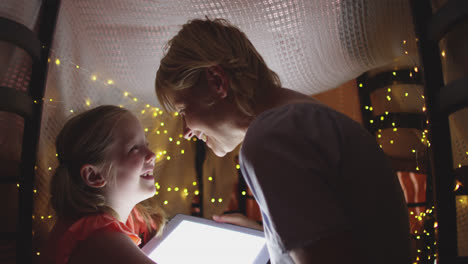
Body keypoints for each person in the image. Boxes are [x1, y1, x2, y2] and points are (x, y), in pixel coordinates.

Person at [155, 18, 411, 264]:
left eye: (184, 110)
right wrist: (269, 233)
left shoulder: (270, 138)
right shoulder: (303, 118)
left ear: (217, 81)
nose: (186, 131)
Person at [40, 105, 165, 264]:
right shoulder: (98, 237)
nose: (152, 155)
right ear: (94, 176)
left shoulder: (125, 218)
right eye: (134, 148)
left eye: (146, 145)